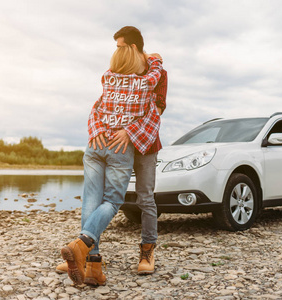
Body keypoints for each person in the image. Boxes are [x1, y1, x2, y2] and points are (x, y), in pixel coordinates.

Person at [58, 41, 163, 286]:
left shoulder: (107, 78)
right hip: (119, 146)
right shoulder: (145, 83)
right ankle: (82, 244)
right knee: (112, 201)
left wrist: (96, 129)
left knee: (91, 201)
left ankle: (93, 265)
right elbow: (155, 76)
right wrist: (156, 60)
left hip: (96, 145)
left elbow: (97, 107)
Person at [106, 26, 168, 275]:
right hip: (118, 144)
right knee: (107, 196)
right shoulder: (121, 68)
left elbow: (159, 108)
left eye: (120, 46)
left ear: (132, 46)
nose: (116, 51)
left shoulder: (159, 73)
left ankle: (147, 250)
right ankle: (86, 250)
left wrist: (131, 130)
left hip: (146, 145)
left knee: (145, 197)